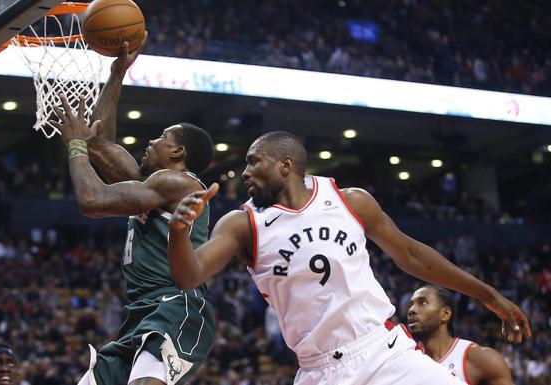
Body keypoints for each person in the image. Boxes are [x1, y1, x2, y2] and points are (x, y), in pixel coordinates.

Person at [166, 131, 531, 385]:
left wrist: (487, 295)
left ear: (285, 164)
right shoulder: (242, 224)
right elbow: (189, 275)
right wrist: (179, 232)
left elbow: (413, 254)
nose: (244, 172)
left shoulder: (349, 200)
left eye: (252, 162)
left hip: (384, 352)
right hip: (318, 370)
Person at [52, 39, 216, 385]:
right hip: (141, 311)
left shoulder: (180, 184)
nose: (151, 141)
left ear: (178, 152)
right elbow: (102, 142)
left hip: (175, 305)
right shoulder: (154, 187)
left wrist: (76, 146)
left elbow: (92, 201)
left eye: (161, 136)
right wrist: (117, 74)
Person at [407, 285, 514, 385]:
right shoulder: (407, 363)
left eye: (423, 303)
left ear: (445, 314)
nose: (411, 310)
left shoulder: (481, 359)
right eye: (411, 304)